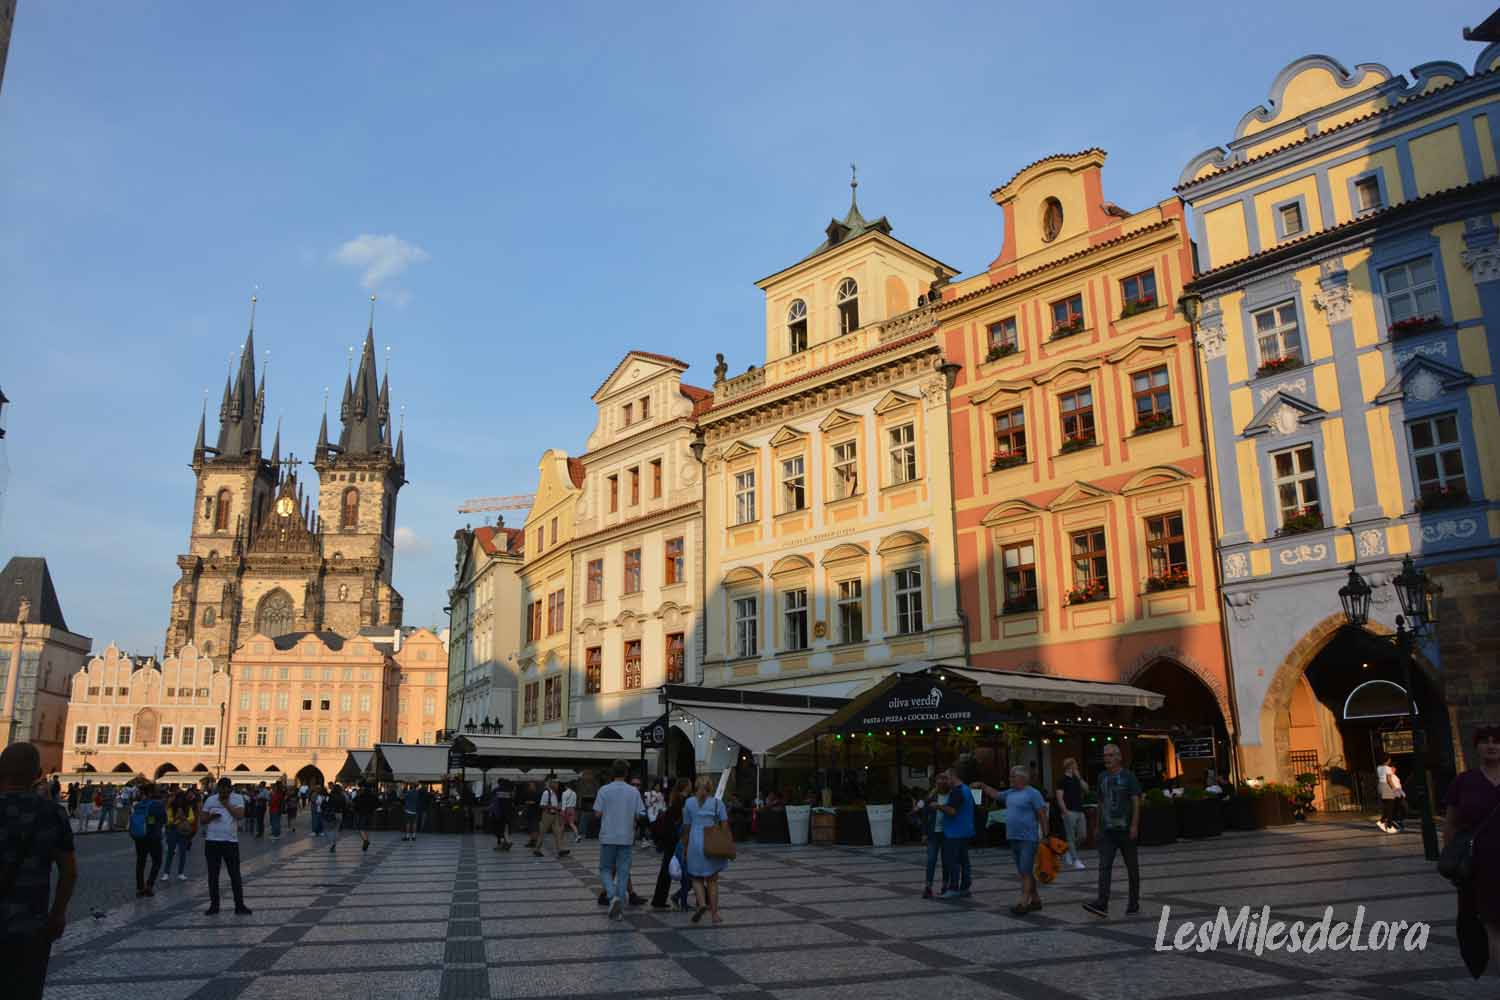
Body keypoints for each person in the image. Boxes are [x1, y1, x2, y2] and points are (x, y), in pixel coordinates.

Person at [0, 744, 77, 1000]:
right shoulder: (52, 813)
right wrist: (57, 914)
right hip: (30, 926)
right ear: (38, 774)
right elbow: (69, 872)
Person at [1444, 724, 1500, 977]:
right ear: (1476, 747)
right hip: (1480, 865)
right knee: (1492, 925)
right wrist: (1453, 860)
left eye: (1497, 741)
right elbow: (1451, 824)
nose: (1491, 745)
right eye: (1485, 741)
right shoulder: (1464, 781)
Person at [977, 767, 1048, 914]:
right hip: (1013, 837)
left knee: (1025, 870)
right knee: (1024, 871)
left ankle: (1023, 903)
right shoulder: (1010, 792)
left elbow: (1042, 814)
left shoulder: (1033, 793)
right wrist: (983, 786)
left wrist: (1046, 835)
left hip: (1028, 838)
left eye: (1013, 776)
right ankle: (1036, 900)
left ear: (1022, 778)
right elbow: (995, 794)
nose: (1010, 779)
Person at [1083, 744, 1142, 918]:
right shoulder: (1102, 777)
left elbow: (1136, 801)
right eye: (1105, 755)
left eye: (1110, 755)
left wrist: (1134, 825)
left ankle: (1133, 902)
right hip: (1107, 831)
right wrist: (1097, 825)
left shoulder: (1129, 776)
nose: (1106, 758)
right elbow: (1100, 802)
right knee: (1104, 866)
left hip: (1125, 830)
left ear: (1119, 757)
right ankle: (1102, 903)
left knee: (1132, 867)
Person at [593, 759, 645, 921]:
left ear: (612, 772)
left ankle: (611, 895)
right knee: (623, 872)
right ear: (626, 773)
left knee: (605, 869)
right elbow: (640, 815)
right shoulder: (634, 791)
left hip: (608, 836)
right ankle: (619, 908)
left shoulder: (604, 790)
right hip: (626, 837)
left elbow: (597, 814)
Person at [682, 774, 730, 924]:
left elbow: (686, 827)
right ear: (710, 788)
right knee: (712, 880)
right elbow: (725, 825)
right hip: (711, 842)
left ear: (696, 786)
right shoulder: (717, 803)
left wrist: (685, 846)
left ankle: (702, 903)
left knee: (696, 877)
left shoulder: (689, 802)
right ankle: (714, 914)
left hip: (694, 842)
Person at [200, 776, 251, 916]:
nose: (223, 793)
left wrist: (227, 805)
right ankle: (214, 906)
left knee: (235, 875)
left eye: (226, 791)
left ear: (230, 789)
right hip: (212, 842)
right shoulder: (211, 800)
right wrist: (211, 817)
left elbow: (240, 815)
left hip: (230, 842)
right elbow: (202, 819)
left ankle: (239, 906)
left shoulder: (237, 798)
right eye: (221, 791)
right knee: (213, 875)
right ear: (218, 789)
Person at [934, 768, 975, 899]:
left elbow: (952, 811)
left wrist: (938, 806)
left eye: (946, 778)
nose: (945, 781)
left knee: (953, 861)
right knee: (964, 861)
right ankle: (965, 887)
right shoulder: (966, 789)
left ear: (953, 777)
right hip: (965, 830)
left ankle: (953, 888)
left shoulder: (957, 791)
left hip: (954, 832)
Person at [650, 780, 689, 910]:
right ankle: (671, 898)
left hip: (671, 839)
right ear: (686, 787)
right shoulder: (682, 801)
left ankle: (659, 899)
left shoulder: (675, 799)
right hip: (676, 839)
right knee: (688, 870)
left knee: (666, 870)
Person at [128, 783, 168, 897]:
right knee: (157, 861)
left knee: (141, 862)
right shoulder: (158, 804)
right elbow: (164, 820)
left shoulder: (139, 804)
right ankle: (149, 886)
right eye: (156, 790)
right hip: (153, 837)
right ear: (151, 792)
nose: (158, 792)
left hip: (140, 836)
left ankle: (140, 888)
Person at [915, 774, 949, 898]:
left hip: (947, 833)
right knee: (931, 860)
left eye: (943, 781)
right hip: (933, 833)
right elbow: (924, 815)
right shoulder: (931, 796)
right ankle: (928, 887)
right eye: (938, 781)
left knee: (946, 861)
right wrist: (924, 833)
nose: (941, 783)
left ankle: (945, 886)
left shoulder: (952, 796)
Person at [1055, 757, 1089, 871]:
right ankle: (1076, 860)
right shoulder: (1062, 780)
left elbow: (1087, 790)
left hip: (1080, 811)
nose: (1077, 767)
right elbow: (1059, 798)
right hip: (1069, 811)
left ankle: (1068, 850)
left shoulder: (1077, 779)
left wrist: (1079, 778)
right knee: (1070, 837)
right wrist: (1065, 812)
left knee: (1082, 835)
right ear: (1070, 766)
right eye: (1075, 765)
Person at [163, 789, 196, 882]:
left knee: (183, 853)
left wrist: (184, 818)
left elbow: (192, 818)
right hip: (173, 830)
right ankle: (166, 873)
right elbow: (168, 819)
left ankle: (180, 873)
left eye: (181, 798)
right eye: (178, 798)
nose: (180, 800)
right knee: (170, 852)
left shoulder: (188, 807)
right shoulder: (171, 808)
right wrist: (176, 819)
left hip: (183, 831)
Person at [536, 779, 568, 858]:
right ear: (551, 784)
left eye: (557, 783)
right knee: (542, 833)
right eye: (555, 783)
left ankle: (560, 850)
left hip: (555, 815)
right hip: (547, 815)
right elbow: (542, 805)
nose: (557, 785)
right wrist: (554, 807)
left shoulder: (554, 793)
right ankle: (537, 849)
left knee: (558, 833)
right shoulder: (546, 793)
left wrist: (558, 808)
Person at [488, 781, 513, 851]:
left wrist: (492, 812)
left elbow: (494, 803)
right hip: (507, 813)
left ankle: (504, 843)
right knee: (505, 829)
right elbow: (511, 802)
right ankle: (506, 842)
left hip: (498, 813)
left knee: (498, 829)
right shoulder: (509, 791)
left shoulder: (496, 790)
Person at [354, 783, 378, 853]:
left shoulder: (361, 795)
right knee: (366, 828)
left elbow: (354, 802)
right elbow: (378, 803)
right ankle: (366, 840)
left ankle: (365, 840)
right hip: (370, 814)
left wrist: (357, 809)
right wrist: (373, 808)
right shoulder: (373, 796)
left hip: (362, 814)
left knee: (361, 828)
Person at [561, 782, 579, 847]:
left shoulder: (564, 793)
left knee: (563, 824)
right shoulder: (574, 793)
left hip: (566, 809)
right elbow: (575, 802)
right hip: (572, 809)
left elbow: (564, 803)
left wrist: (563, 811)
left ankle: (560, 837)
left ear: (566, 786)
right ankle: (577, 836)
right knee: (572, 823)